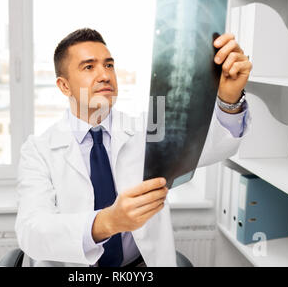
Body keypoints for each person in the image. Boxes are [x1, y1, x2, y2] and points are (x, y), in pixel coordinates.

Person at [15, 28, 252, 267]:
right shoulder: (38, 150)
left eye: (109, 65)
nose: (105, 75)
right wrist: (107, 222)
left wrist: (229, 98)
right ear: (64, 86)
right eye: (89, 67)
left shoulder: (148, 131)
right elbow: (31, 230)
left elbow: (213, 145)